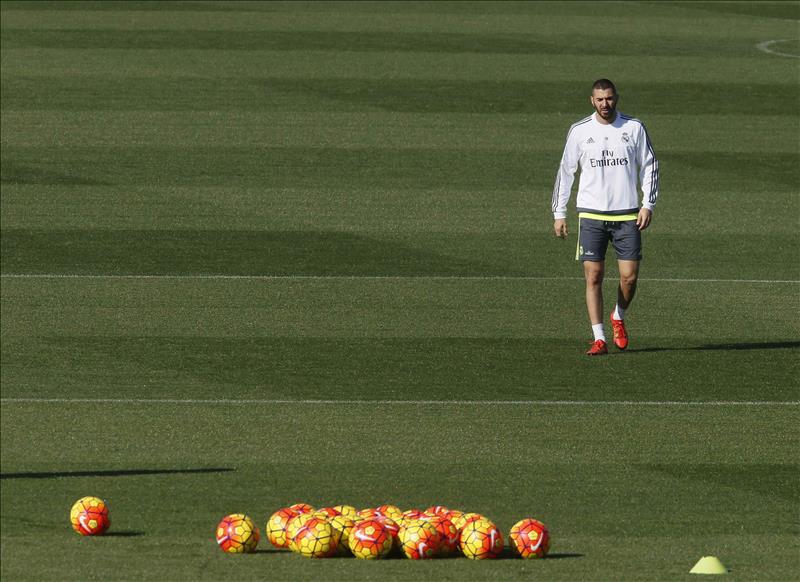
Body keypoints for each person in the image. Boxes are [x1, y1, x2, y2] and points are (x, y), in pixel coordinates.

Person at [551, 79, 660, 355]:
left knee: (629, 278)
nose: (605, 104)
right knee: (594, 276)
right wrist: (559, 212)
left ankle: (618, 316)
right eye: (599, 99)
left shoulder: (634, 127)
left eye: (609, 98)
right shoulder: (579, 131)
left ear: (616, 98)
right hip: (591, 214)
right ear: (592, 101)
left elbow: (650, 165)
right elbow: (566, 171)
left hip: (627, 215)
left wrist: (648, 204)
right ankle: (599, 338)